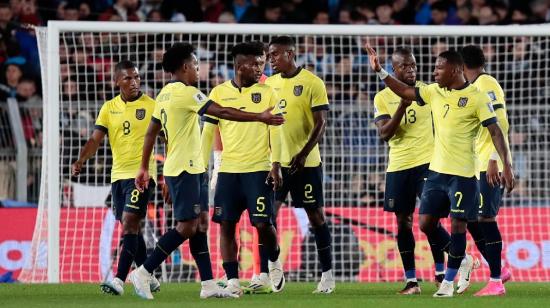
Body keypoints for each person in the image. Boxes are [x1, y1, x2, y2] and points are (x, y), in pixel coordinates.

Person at [131, 42, 284, 300]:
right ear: (184, 67)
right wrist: (259, 117)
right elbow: (221, 112)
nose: (199, 70)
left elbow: (151, 132)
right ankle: (145, 270)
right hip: (186, 169)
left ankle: (209, 284)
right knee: (187, 227)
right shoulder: (187, 93)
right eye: (196, 65)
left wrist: (145, 167)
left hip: (191, 167)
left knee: (201, 225)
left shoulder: (164, 95)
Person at [366, 44, 514, 297]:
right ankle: (468, 266)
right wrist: (379, 71)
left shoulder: (478, 95)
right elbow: (402, 91)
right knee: (426, 223)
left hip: (463, 173)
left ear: (455, 69)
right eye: (433, 67)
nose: (433, 72)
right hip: (436, 173)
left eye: (439, 68)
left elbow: (497, 130)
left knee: (464, 224)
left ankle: (451, 281)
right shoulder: (433, 92)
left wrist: (504, 163)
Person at [201, 41, 285, 297]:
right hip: (229, 171)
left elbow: (276, 130)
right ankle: (233, 279)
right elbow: (208, 133)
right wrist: (202, 167)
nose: (261, 67)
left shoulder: (269, 92)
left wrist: (276, 164)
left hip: (259, 169)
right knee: (226, 225)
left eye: (262, 62)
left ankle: (273, 260)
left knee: (263, 225)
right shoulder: (218, 93)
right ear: (239, 65)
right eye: (255, 63)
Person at [71, 60, 160, 296]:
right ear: (117, 81)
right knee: (132, 227)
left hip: (142, 176)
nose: (134, 82)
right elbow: (95, 140)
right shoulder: (108, 108)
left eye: (137, 77)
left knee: (130, 223)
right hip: (118, 177)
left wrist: (168, 174)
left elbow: (167, 140)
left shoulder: (152, 105)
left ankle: (119, 280)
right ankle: (147, 274)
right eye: (128, 78)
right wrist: (81, 160)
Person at [265, 35, 334, 294]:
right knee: (267, 218)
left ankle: (327, 276)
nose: (270, 59)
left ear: (290, 54)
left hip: (307, 164)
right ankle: (271, 268)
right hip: (277, 164)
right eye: (269, 54)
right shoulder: (268, 84)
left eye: (275, 54)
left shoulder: (312, 82)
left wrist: (304, 153)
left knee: (316, 217)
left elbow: (321, 123)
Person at [373, 47, 440, 294]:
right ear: (394, 69)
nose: (411, 70)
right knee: (403, 223)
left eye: (413, 65)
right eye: (405, 66)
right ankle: (412, 281)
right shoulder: (382, 97)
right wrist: (402, 106)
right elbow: (385, 134)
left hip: (428, 163)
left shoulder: (427, 91)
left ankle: (443, 272)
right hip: (399, 166)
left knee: (431, 218)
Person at [461, 44, 512, 296]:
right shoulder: (475, 86)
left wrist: (494, 158)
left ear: (461, 66)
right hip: (475, 163)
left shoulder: (486, 83)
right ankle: (499, 269)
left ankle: (495, 281)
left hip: (488, 164)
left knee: (485, 219)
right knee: (469, 217)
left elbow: (501, 121)